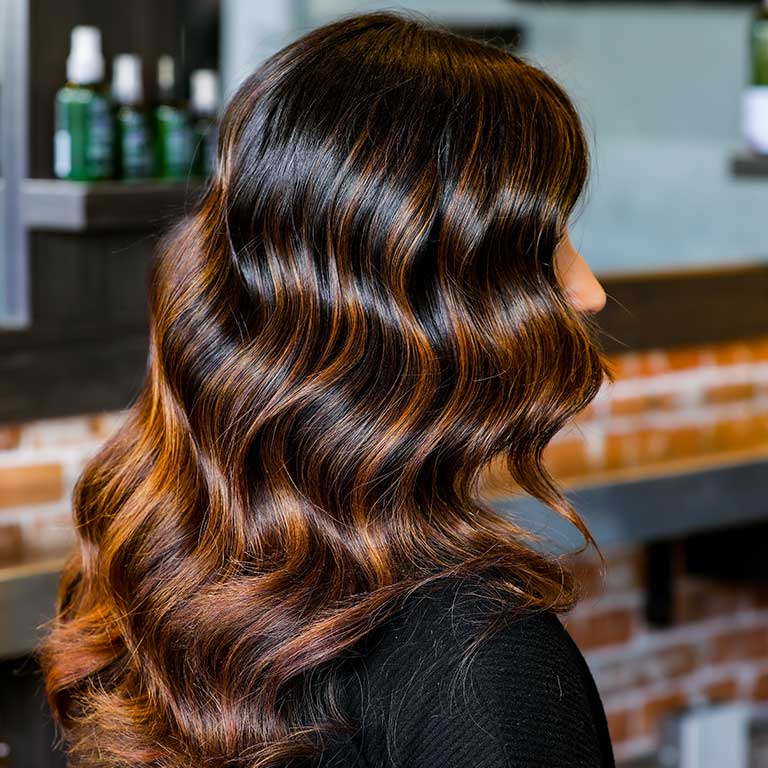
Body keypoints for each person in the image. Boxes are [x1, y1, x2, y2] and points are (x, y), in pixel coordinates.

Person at [37, 11, 616, 768]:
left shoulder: (147, 552)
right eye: (546, 242)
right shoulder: (484, 666)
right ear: (420, 299)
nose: (589, 291)